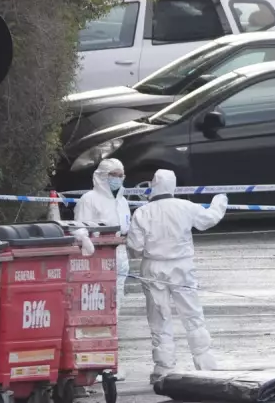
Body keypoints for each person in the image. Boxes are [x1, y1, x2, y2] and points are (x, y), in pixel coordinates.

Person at [126, 169, 228, 384]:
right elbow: (210, 218)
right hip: (182, 266)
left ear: (153, 186)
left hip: (153, 267)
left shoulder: (143, 212)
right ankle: (206, 365)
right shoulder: (185, 207)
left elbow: (135, 247)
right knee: (192, 314)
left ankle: (163, 368)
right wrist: (220, 200)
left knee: (159, 318)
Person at [73, 158, 131, 316]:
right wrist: (85, 240)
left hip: (120, 256)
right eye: (114, 175)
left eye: (121, 175)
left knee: (116, 297)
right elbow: (79, 226)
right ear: (103, 175)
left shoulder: (122, 201)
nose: (117, 179)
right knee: (97, 297)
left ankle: (113, 330)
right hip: (97, 256)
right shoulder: (89, 199)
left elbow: (126, 227)